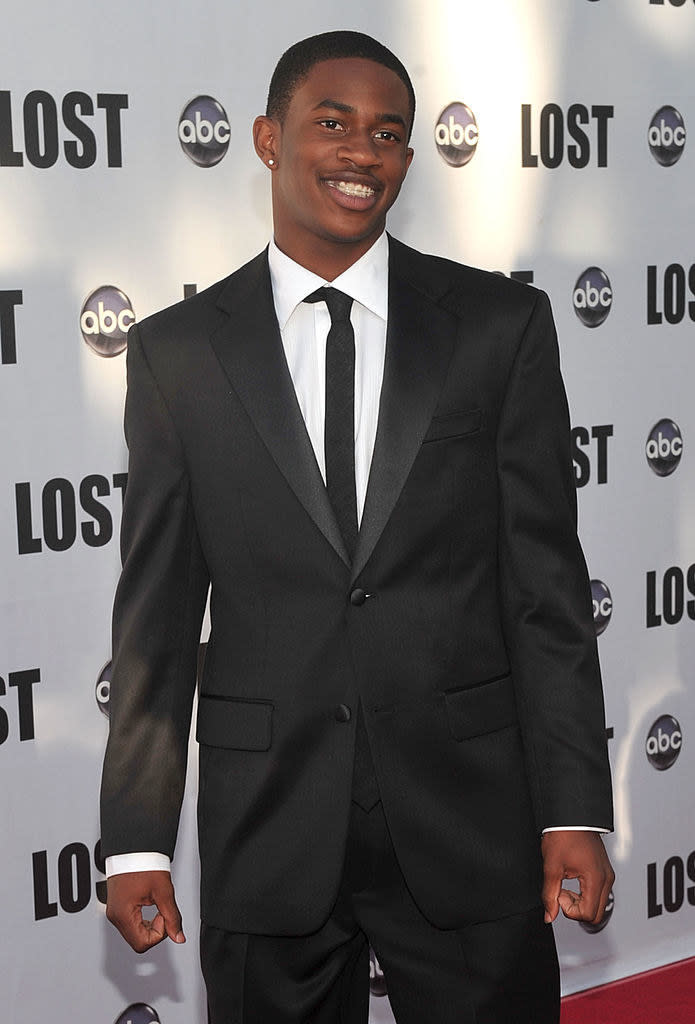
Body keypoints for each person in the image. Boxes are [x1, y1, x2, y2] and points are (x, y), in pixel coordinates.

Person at [101, 30, 614, 1024]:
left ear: (407, 161)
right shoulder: (177, 356)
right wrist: (136, 839)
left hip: (468, 815)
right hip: (269, 820)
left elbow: (545, 591)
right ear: (265, 137)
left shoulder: (495, 329)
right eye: (330, 123)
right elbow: (155, 618)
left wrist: (572, 808)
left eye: (385, 133)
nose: (359, 153)